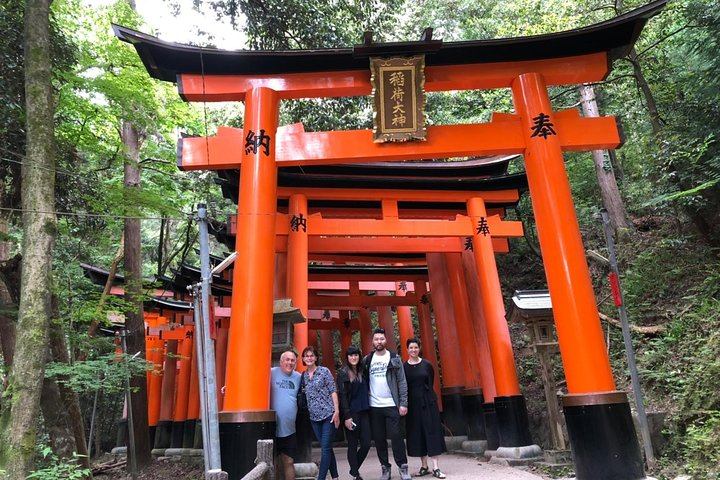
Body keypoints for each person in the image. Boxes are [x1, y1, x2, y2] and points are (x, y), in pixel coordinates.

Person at [364, 328, 411, 480]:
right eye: (376, 339)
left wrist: (403, 403)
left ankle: (403, 467)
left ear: (386, 340)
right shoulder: (367, 360)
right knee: (378, 438)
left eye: (382, 339)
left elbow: (402, 382)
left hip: (392, 404)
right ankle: (385, 468)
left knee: (397, 436)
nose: (379, 342)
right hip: (374, 405)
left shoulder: (394, 358)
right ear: (373, 341)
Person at [403, 338, 447, 479]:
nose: (414, 350)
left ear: (419, 348)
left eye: (416, 347)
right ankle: (424, 466)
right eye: (411, 348)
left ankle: (436, 467)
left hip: (428, 402)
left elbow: (431, 381)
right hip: (413, 404)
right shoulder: (404, 367)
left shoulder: (427, 365)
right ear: (407, 350)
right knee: (418, 433)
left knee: (431, 430)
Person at [301, 345, 340, 480]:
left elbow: (333, 391)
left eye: (312, 355)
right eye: (307, 356)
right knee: (327, 447)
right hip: (314, 417)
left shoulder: (324, 371)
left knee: (325, 449)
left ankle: (321, 478)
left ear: (316, 358)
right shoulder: (304, 375)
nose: (309, 358)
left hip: (328, 415)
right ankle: (335, 477)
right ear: (303, 359)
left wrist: (337, 411)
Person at [337, 345, 371, 480]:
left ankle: (353, 469)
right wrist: (347, 416)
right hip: (351, 413)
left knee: (366, 444)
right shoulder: (343, 373)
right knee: (352, 445)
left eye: (356, 355)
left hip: (364, 412)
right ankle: (356, 475)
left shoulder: (363, 371)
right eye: (351, 355)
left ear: (359, 356)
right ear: (347, 357)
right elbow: (343, 396)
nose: (353, 357)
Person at [270, 350, 302, 480]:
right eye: (287, 360)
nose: (290, 362)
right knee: (274, 463)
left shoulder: (299, 377)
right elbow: (251, 377)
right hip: (271, 426)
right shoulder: (271, 372)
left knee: (289, 461)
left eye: (292, 360)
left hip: (289, 428)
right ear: (281, 361)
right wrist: (230, 386)